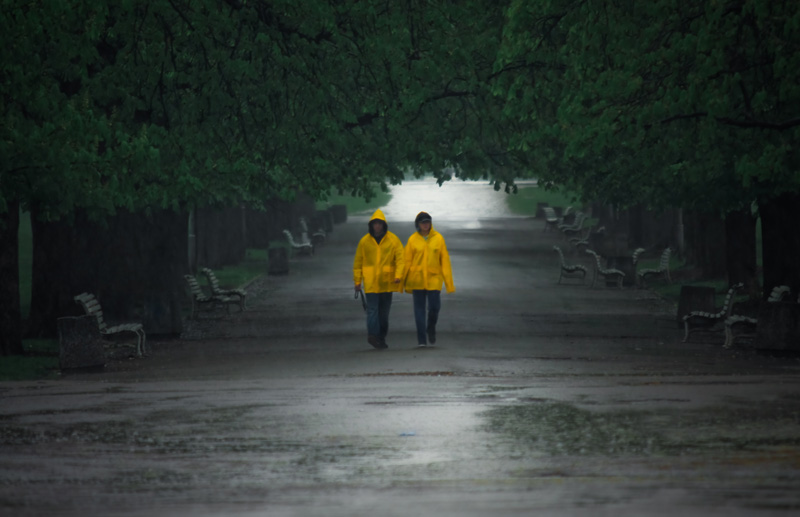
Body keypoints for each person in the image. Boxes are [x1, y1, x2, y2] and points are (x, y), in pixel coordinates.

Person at [353, 209, 405, 349]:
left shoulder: (393, 240)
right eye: (375, 224)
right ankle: (373, 335)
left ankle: (381, 337)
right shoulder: (364, 242)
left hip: (387, 282)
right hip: (370, 283)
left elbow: (401, 259)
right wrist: (357, 281)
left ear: (383, 225)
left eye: (379, 223)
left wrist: (398, 275)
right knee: (372, 310)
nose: (377, 226)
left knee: (384, 313)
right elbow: (358, 262)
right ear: (371, 225)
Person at [403, 211, 455, 347]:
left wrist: (449, 284)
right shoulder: (412, 240)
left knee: (434, 307)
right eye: (423, 222)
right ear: (418, 224)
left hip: (434, 279)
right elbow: (406, 261)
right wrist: (400, 278)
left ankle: (431, 327)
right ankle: (421, 340)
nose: (425, 225)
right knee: (419, 310)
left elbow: (445, 261)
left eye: (427, 222)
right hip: (417, 280)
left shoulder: (438, 238)